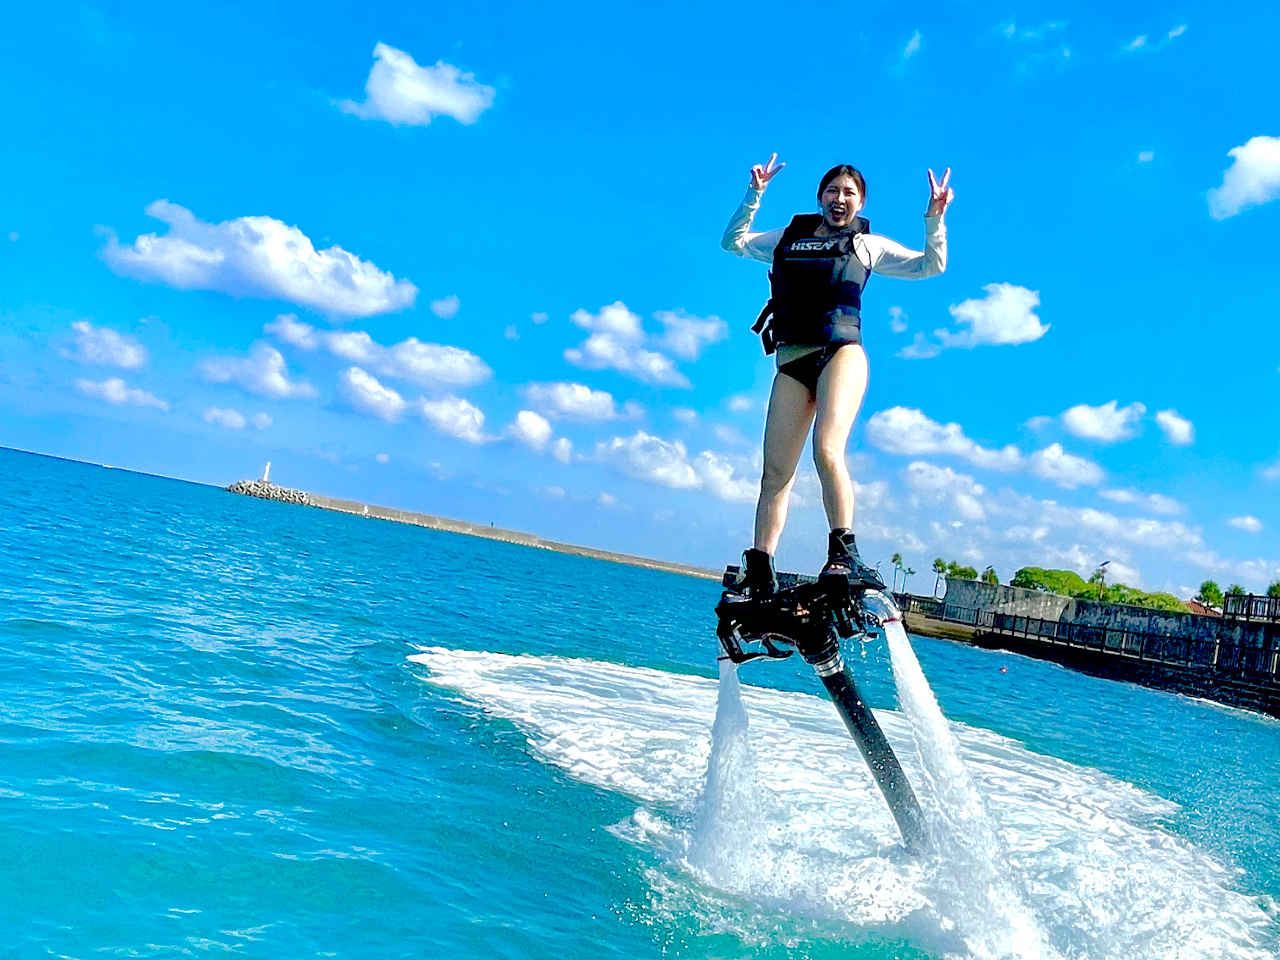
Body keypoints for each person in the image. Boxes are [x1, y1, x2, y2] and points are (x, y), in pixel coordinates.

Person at [721, 154, 954, 596]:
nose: (839, 198)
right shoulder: (787, 238)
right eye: (832, 190)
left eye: (849, 193)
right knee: (775, 473)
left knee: (826, 448)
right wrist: (755, 194)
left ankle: (842, 553)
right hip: (791, 360)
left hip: (840, 352)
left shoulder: (868, 245)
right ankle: (761, 566)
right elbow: (732, 242)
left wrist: (934, 219)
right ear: (820, 197)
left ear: (860, 201)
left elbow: (930, 265)